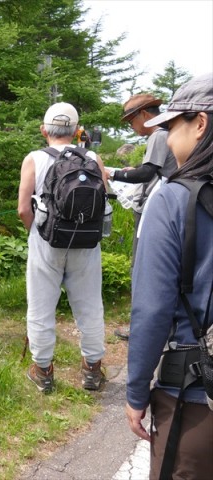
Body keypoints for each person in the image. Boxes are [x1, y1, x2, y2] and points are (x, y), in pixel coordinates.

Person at [125, 73, 213, 479]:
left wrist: (136, 390)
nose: (168, 140)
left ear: (200, 124)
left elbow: (152, 309)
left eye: (173, 126)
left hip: (195, 402)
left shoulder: (174, 200)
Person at [17, 102, 108, 394]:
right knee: (90, 305)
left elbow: (22, 209)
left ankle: (43, 371)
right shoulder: (93, 157)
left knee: (41, 305)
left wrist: (36, 231)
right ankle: (92, 370)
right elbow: (103, 202)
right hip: (86, 244)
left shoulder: (34, 158)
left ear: (44, 130)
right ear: (76, 131)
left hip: (46, 241)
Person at [110, 94, 178, 340]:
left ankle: (141, 327)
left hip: (152, 210)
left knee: (141, 267)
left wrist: (112, 173)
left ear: (145, 115)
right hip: (167, 208)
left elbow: (146, 173)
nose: (131, 126)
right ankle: (162, 326)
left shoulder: (159, 135)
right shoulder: (170, 133)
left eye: (131, 121)